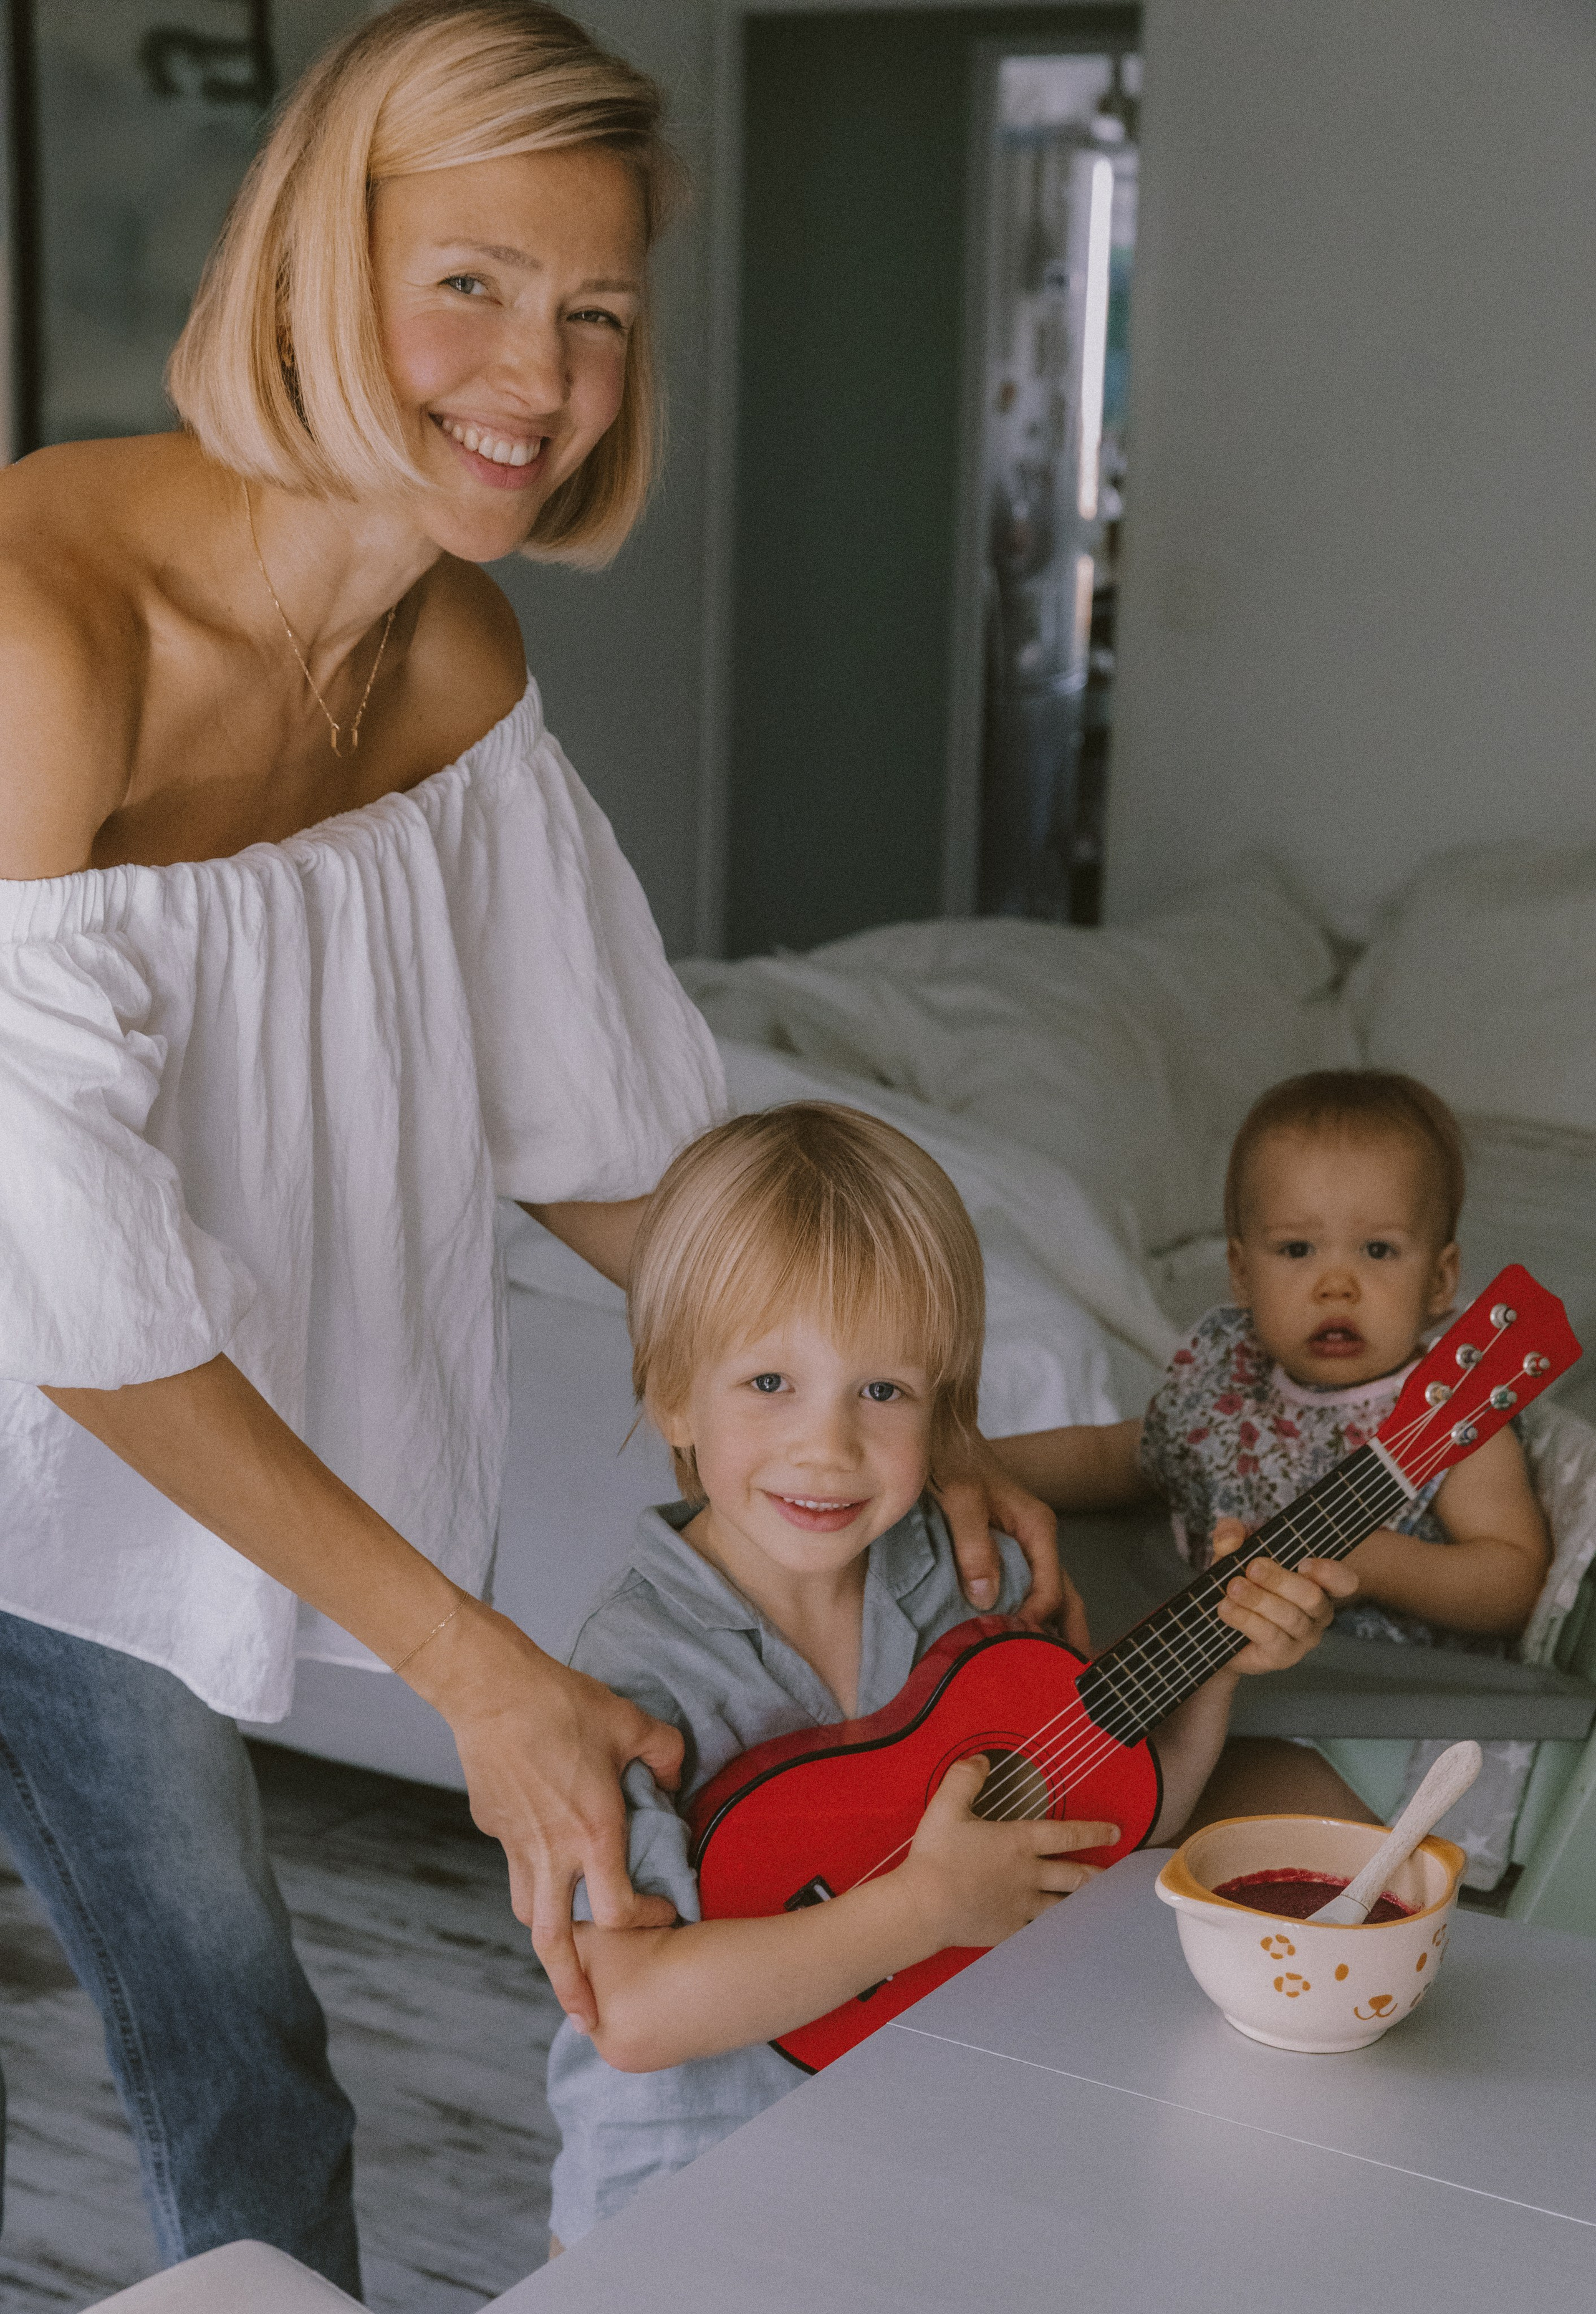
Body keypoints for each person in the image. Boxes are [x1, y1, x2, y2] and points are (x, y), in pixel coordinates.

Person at [0, 2, 1065, 2285]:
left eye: (594, 309)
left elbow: (609, 1137)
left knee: (224, 2030)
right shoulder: (43, 647)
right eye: (469, 283)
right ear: (312, 268)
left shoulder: (449, 659)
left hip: (169, 1419)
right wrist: (476, 1671)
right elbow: (72, 1305)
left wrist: (908, 1401)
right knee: (232, 2035)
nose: (541, 371)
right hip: (48, 1434)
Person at [542, 1102, 1352, 2251]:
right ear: (672, 1391)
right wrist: (922, 1908)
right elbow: (629, 2009)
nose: (828, 1447)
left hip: (919, 2159)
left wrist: (1219, 1665)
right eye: (769, 1382)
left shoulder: (958, 1583)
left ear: (946, 1412)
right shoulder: (636, 1667)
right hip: (684, 2213)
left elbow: (1101, 1829)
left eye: (882, 1392)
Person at [994, 1069, 1551, 1855]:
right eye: (1296, 1248)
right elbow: (1111, 1457)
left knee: (1157, 1836)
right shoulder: (1225, 1379)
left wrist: (1370, 1557)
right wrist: (973, 1465)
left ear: (1440, 1278)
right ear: (1241, 1271)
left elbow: (1512, 1582)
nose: (1336, 1283)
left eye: (1378, 1250)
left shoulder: (1447, 1416)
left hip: (1365, 1723)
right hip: (1213, 1686)